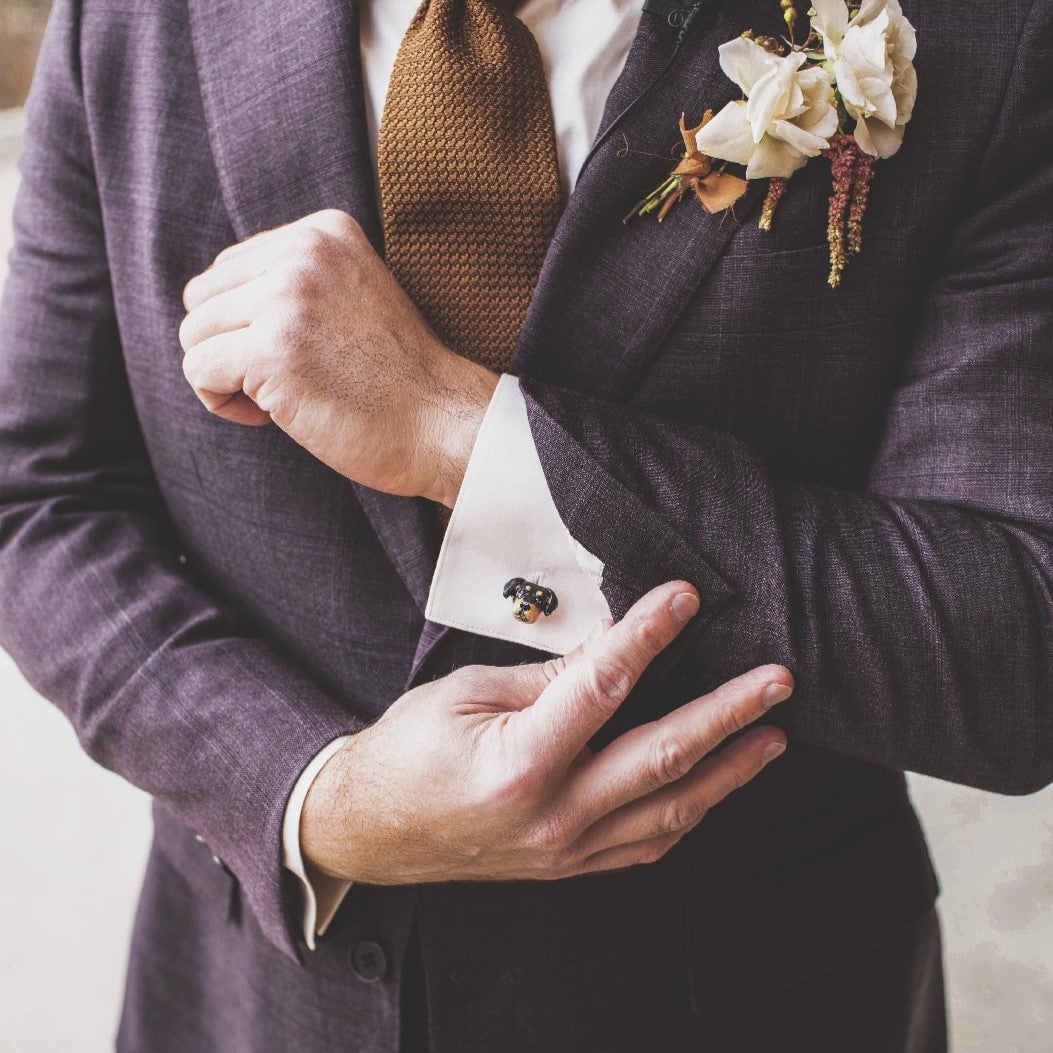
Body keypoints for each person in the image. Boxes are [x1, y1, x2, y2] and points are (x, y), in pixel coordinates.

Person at [0, 0, 1050, 1050]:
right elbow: (37, 494)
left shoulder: (985, 32)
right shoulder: (133, 17)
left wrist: (458, 432)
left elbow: (1014, 643)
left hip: (752, 1002)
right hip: (251, 1002)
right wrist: (315, 801)